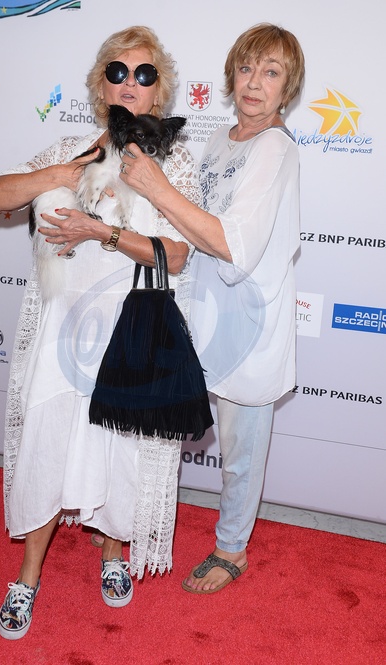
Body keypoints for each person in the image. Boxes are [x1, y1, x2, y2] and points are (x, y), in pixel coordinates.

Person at [0, 25, 201, 639]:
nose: (130, 83)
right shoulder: (69, 146)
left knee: (119, 449)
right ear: (100, 85)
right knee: (46, 444)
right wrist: (59, 173)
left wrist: (98, 231)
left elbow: (178, 254)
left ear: (159, 90)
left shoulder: (174, 160)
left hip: (128, 332)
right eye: (117, 71)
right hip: (60, 332)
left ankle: (112, 555)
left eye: (144, 74)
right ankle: (27, 576)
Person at [117, 23, 305, 594]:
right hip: (205, 312)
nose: (254, 83)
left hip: (250, 323)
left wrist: (156, 187)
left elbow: (229, 243)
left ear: (288, 87)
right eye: (246, 68)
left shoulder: (275, 149)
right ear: (231, 75)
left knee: (241, 450)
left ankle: (232, 549)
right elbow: (193, 226)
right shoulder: (223, 138)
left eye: (271, 72)